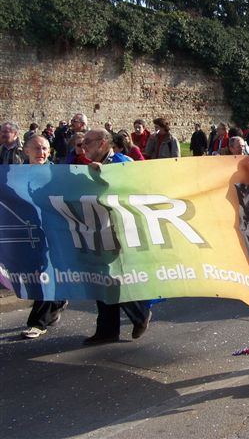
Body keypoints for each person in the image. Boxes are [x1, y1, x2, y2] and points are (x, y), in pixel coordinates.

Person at [80, 128, 152, 345]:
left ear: (102, 143)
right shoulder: (91, 166)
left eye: (88, 142)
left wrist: (106, 175)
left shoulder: (121, 161)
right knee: (104, 278)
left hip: (121, 231)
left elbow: (134, 188)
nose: (84, 147)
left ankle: (139, 313)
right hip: (100, 228)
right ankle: (107, 330)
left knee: (117, 277)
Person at [20, 135, 69, 339]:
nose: (42, 152)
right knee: (31, 275)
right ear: (26, 151)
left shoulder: (55, 174)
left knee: (46, 275)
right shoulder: (15, 174)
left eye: (45, 149)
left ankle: (37, 323)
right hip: (27, 233)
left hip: (52, 232)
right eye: (37, 148)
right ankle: (58, 301)